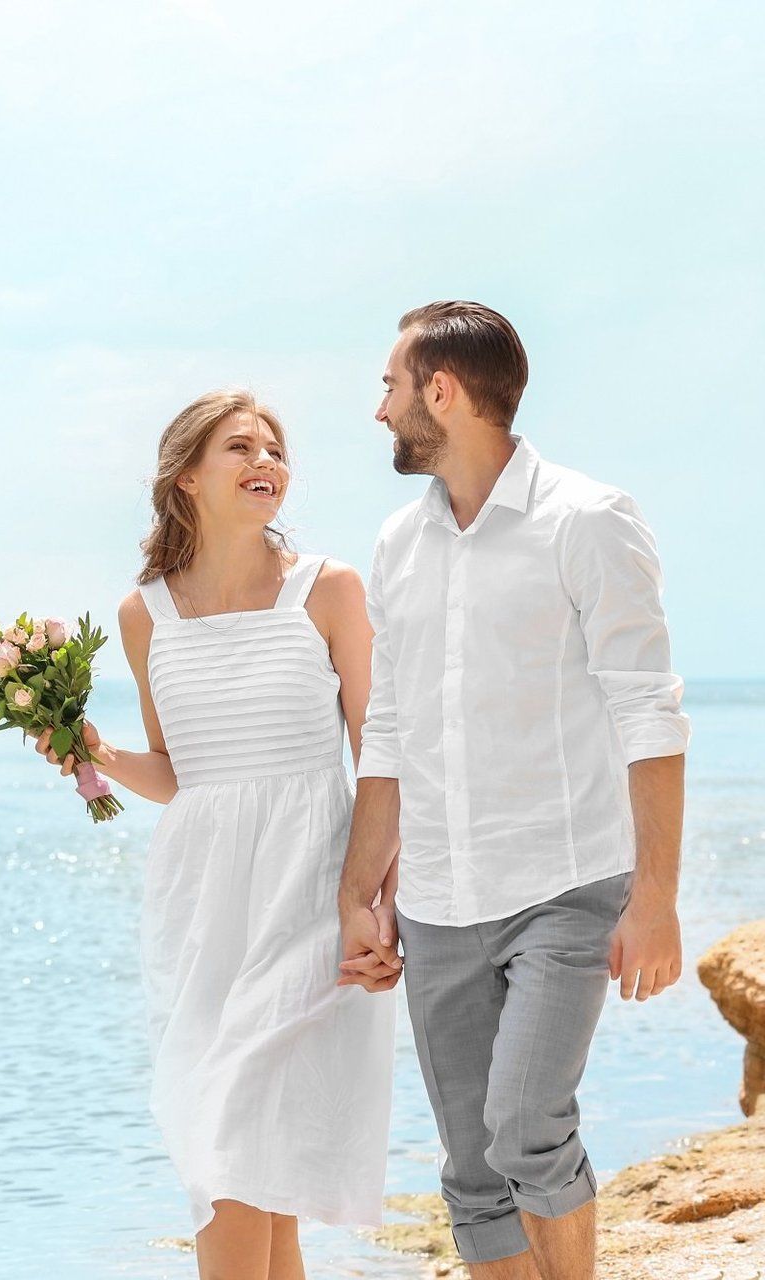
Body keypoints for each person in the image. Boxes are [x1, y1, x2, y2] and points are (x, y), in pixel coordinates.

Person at [335, 300, 690, 1280]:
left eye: (390, 386)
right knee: (472, 1169)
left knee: (527, 1127)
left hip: (567, 880)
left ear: (441, 391)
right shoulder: (398, 545)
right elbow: (393, 728)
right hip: (441, 897)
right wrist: (360, 888)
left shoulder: (588, 518)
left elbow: (649, 714)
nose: (380, 410)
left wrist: (655, 897)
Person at [35, 388, 399, 1280]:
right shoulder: (143, 613)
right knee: (243, 1167)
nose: (265, 461)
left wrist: (390, 904)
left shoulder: (330, 589)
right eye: (240, 447)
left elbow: (384, 756)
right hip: (201, 903)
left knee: (233, 1146)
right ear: (186, 479)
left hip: (313, 892)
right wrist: (102, 754)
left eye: (274, 448)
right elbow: (180, 771)